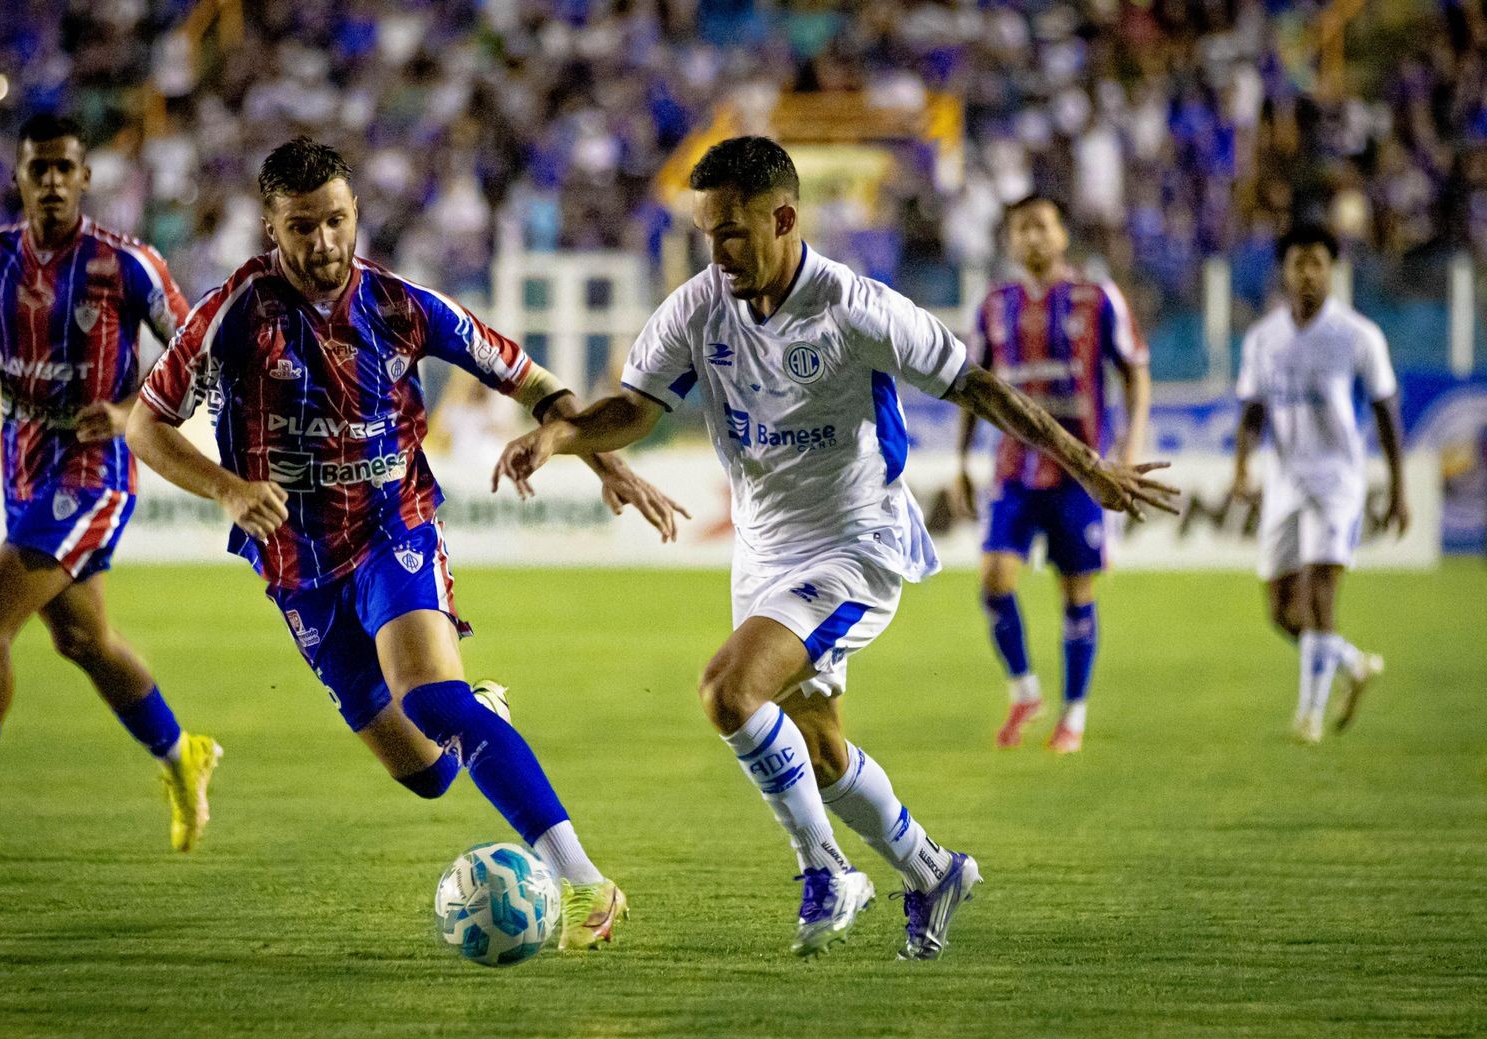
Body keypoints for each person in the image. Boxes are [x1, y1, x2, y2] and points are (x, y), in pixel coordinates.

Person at [493, 137, 1179, 959]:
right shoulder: (699, 305)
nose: (719, 251)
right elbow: (637, 409)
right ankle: (934, 871)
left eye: (734, 231)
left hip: (857, 546)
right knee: (817, 753)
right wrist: (562, 437)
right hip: (765, 553)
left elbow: (980, 385)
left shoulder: (855, 306)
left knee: (727, 692)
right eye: (710, 233)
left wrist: (1088, 464)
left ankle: (826, 870)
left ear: (784, 218)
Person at [125, 137, 684, 950]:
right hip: (296, 564)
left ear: (356, 215)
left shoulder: (399, 304)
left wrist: (601, 461)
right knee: (424, 773)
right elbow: (147, 423)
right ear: (269, 228)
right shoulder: (232, 314)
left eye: (337, 221)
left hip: (393, 526)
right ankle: (477, 711)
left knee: (428, 699)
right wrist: (230, 488)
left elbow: (534, 383)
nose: (323, 243)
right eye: (302, 227)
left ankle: (585, 881)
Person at [0, 114, 219, 852]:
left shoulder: (127, 264)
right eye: (39, 169)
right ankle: (180, 752)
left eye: (66, 169)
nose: (53, 183)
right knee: (83, 638)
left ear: (86, 179)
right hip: (23, 458)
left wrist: (133, 408)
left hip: (93, 470)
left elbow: (195, 358)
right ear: (20, 177)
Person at [951, 194, 1152, 754]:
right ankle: (1024, 691)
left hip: (1081, 472)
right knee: (994, 579)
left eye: (1042, 226)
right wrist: (963, 461)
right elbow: (973, 387)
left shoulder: (1096, 296)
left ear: (1062, 234)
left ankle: (1074, 716)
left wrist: (1129, 451)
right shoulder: (994, 305)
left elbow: (1136, 371)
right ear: (1010, 241)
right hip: (1014, 469)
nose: (1032, 237)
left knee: (1076, 591)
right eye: (1021, 229)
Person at [1231, 222, 1406, 743]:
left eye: (1318, 264)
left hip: (1338, 483)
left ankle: (1308, 716)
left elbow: (1385, 413)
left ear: (1332, 271)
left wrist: (1398, 488)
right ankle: (1351, 663)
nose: (1308, 273)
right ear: (1283, 272)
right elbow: (1253, 410)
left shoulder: (1358, 336)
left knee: (1320, 591)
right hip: (1284, 482)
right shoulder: (1264, 339)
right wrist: (1242, 466)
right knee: (1282, 611)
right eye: (1297, 263)